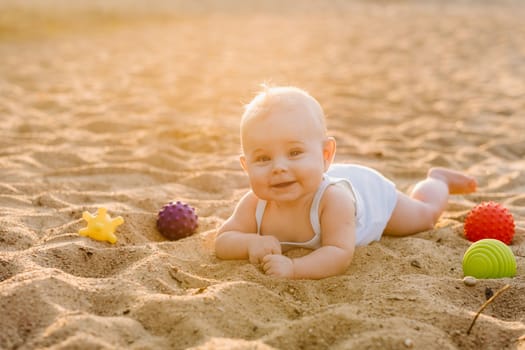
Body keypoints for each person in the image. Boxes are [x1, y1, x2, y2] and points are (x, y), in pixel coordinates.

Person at [214, 85, 477, 280]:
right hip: (337, 181)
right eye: (263, 158)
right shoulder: (255, 203)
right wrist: (249, 243)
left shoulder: (332, 200)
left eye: (295, 153)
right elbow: (223, 240)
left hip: (370, 196)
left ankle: (437, 180)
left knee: (424, 217)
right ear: (246, 166)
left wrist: (294, 269)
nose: (279, 167)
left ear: (325, 155)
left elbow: (338, 253)